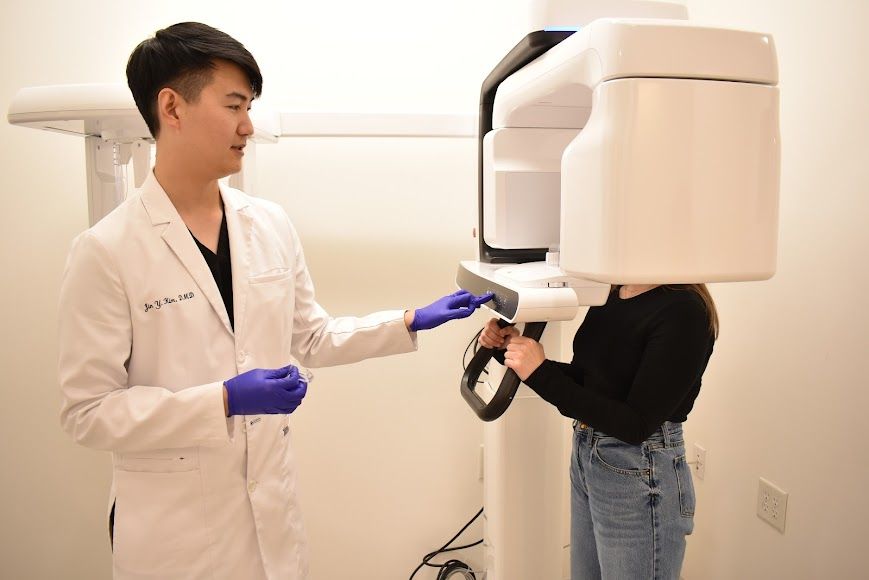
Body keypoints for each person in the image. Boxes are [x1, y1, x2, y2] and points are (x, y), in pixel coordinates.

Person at [57, 22, 492, 580]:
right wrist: (220, 400)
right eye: (234, 104)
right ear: (172, 107)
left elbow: (310, 337)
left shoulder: (268, 223)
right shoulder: (107, 250)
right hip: (173, 532)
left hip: (270, 516)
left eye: (251, 106)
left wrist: (411, 319)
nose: (248, 125)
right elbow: (87, 412)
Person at [478, 283, 717, 580]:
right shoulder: (616, 292)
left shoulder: (685, 310)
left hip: (640, 468)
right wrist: (513, 353)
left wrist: (539, 373)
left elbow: (635, 424)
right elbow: (592, 383)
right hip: (589, 455)